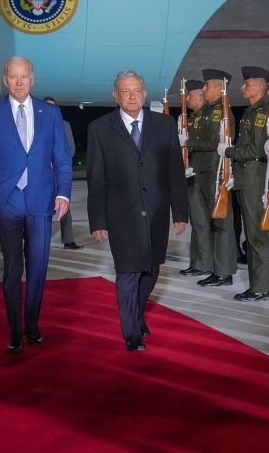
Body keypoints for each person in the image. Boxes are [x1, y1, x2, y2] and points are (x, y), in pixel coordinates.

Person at [0, 57, 73, 353]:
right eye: (13, 77)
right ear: (5, 79)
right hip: (7, 201)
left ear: (32, 78)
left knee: (38, 268)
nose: (18, 82)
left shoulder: (50, 113)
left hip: (42, 201)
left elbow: (63, 159)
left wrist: (63, 194)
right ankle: (15, 330)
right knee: (13, 268)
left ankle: (32, 324)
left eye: (23, 76)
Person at [86, 71, 189, 352]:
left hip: (156, 212)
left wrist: (180, 211)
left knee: (151, 270)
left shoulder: (165, 125)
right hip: (122, 214)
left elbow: (175, 173)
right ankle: (131, 332)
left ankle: (137, 312)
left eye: (137, 91)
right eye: (126, 92)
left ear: (144, 94)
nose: (132, 96)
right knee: (128, 272)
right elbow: (96, 179)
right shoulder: (100, 129)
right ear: (115, 96)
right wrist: (98, 219)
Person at [224, 66, 269, 301]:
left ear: (261, 86)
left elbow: (256, 148)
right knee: (252, 234)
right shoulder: (251, 111)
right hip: (247, 177)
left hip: (255, 178)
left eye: (248, 83)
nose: (243, 87)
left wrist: (230, 151)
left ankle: (263, 287)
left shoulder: (263, 111)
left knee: (257, 235)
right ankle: (257, 285)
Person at [188, 70, 234, 287]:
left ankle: (224, 272)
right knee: (210, 223)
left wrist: (187, 143)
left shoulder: (220, 112)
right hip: (204, 171)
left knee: (221, 224)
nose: (203, 89)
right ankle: (214, 267)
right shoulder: (207, 112)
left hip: (215, 172)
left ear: (219, 88)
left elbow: (213, 142)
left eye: (207, 86)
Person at [176, 79, 213, 277]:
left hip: (202, 174)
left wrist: (188, 141)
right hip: (192, 174)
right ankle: (197, 262)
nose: (187, 99)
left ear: (200, 97)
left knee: (201, 222)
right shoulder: (193, 118)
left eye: (190, 95)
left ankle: (204, 264)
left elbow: (210, 142)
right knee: (197, 222)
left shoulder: (208, 115)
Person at [42, 97, 82, 250]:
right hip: (41, 173)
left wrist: (58, 163)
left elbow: (70, 148)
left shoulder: (64, 125)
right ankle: (42, 240)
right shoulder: (33, 124)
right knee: (42, 208)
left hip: (58, 172)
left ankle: (68, 240)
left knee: (65, 206)